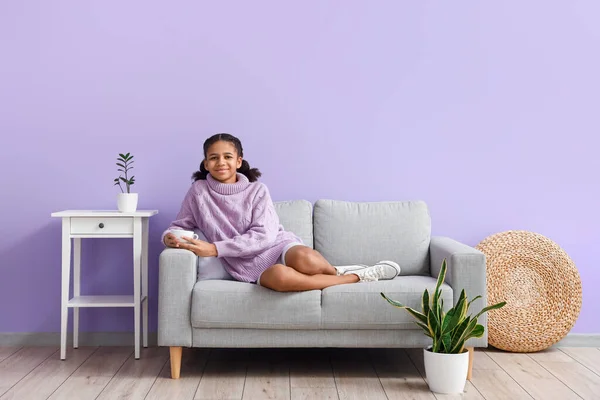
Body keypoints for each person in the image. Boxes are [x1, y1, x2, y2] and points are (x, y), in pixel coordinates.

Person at [162, 133, 401, 292]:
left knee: (307, 259)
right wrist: (170, 236)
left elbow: (264, 234)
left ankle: (335, 270)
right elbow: (181, 224)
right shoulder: (198, 192)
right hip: (242, 263)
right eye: (213, 158)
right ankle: (357, 277)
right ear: (205, 164)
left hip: (275, 246)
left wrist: (215, 249)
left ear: (238, 161)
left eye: (227, 157)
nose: (220, 162)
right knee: (281, 279)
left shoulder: (257, 190)